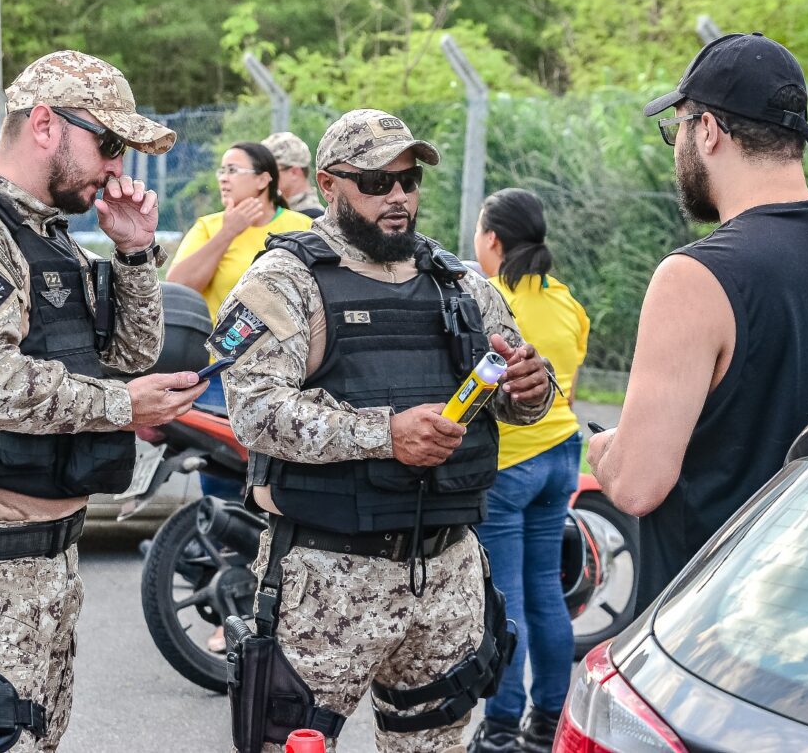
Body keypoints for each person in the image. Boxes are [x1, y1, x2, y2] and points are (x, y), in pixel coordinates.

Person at [0, 50, 207, 753]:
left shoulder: (44, 235)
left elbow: (127, 358)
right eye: (108, 144)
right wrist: (122, 409)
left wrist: (135, 253)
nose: (118, 168)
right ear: (44, 124)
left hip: (39, 562)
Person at [214, 109, 555, 753]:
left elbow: (517, 393)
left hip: (447, 574)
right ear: (328, 185)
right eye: (375, 182)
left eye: (408, 180)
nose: (397, 197)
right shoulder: (285, 282)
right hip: (328, 576)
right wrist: (382, 434)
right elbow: (254, 410)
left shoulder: (459, 283)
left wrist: (531, 391)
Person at [586, 33, 808, 616]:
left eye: (678, 127)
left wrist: (605, 450)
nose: (677, 143)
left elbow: (637, 485)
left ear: (708, 131)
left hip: (709, 636)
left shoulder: (693, 277)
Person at [466, 189, 590, 753]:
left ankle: (500, 728)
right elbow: (568, 383)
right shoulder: (566, 302)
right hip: (563, 455)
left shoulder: (487, 300)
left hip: (510, 463)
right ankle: (548, 724)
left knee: (505, 596)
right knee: (546, 590)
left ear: (491, 239)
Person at [166, 142, 312, 502]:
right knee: (222, 481)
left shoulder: (302, 226)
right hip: (223, 374)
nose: (223, 178)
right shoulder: (210, 226)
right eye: (221, 170)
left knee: (281, 477)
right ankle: (225, 553)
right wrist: (228, 232)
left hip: (291, 375)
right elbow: (178, 287)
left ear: (264, 179)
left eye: (233, 170)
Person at [262, 131, 325, 218]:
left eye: (272, 171)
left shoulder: (311, 218)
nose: (266, 177)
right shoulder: (278, 207)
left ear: (294, 172)